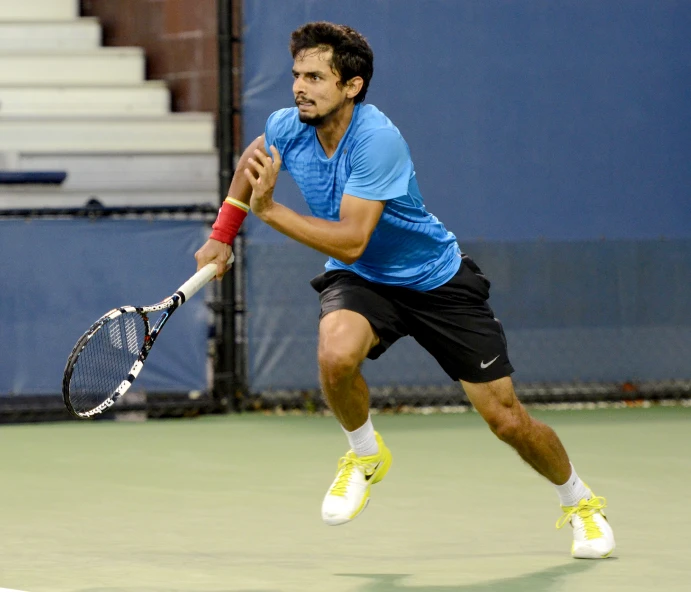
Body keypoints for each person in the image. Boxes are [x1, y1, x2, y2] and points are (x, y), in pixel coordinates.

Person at [195, 21, 615, 559]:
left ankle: (580, 502)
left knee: (508, 420)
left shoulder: (377, 139)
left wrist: (269, 212)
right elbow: (249, 168)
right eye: (297, 75)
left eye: (317, 77)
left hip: (436, 282)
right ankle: (365, 455)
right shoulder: (286, 126)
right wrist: (221, 235)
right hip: (365, 280)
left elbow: (350, 239)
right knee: (336, 353)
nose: (300, 87)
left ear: (352, 85)